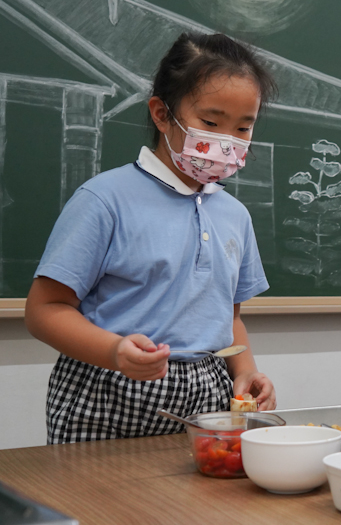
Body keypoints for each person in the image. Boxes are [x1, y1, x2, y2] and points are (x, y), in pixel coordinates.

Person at [25, 33, 277, 444]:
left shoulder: (235, 215)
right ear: (162, 114)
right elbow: (44, 309)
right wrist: (114, 352)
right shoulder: (104, 199)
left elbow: (229, 317)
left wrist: (244, 370)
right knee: (99, 505)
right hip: (106, 387)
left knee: (199, 507)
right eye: (211, 123)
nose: (226, 141)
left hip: (207, 392)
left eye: (243, 128)